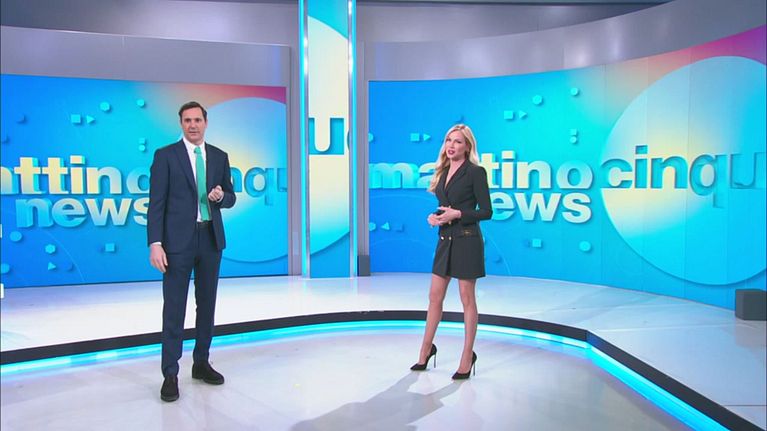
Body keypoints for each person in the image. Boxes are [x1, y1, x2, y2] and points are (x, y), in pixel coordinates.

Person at [147, 101, 236, 402]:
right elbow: (156, 203)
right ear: (181, 124)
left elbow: (231, 197)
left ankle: (201, 363)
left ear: (206, 123)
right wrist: (155, 243)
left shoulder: (220, 156)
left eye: (197, 120)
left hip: (210, 239)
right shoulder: (166, 156)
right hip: (176, 244)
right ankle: (170, 373)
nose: (193, 125)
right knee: (174, 308)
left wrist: (222, 196)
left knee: (207, 306)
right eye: (187, 120)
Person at [410, 124, 492, 380]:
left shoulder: (476, 172)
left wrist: (458, 214)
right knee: (434, 297)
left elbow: (486, 211)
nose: (451, 145)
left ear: (467, 146)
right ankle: (425, 350)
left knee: (467, 299)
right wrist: (435, 217)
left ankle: (467, 356)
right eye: (448, 140)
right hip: (445, 240)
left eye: (457, 141)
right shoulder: (443, 172)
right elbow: (444, 206)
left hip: (467, 240)